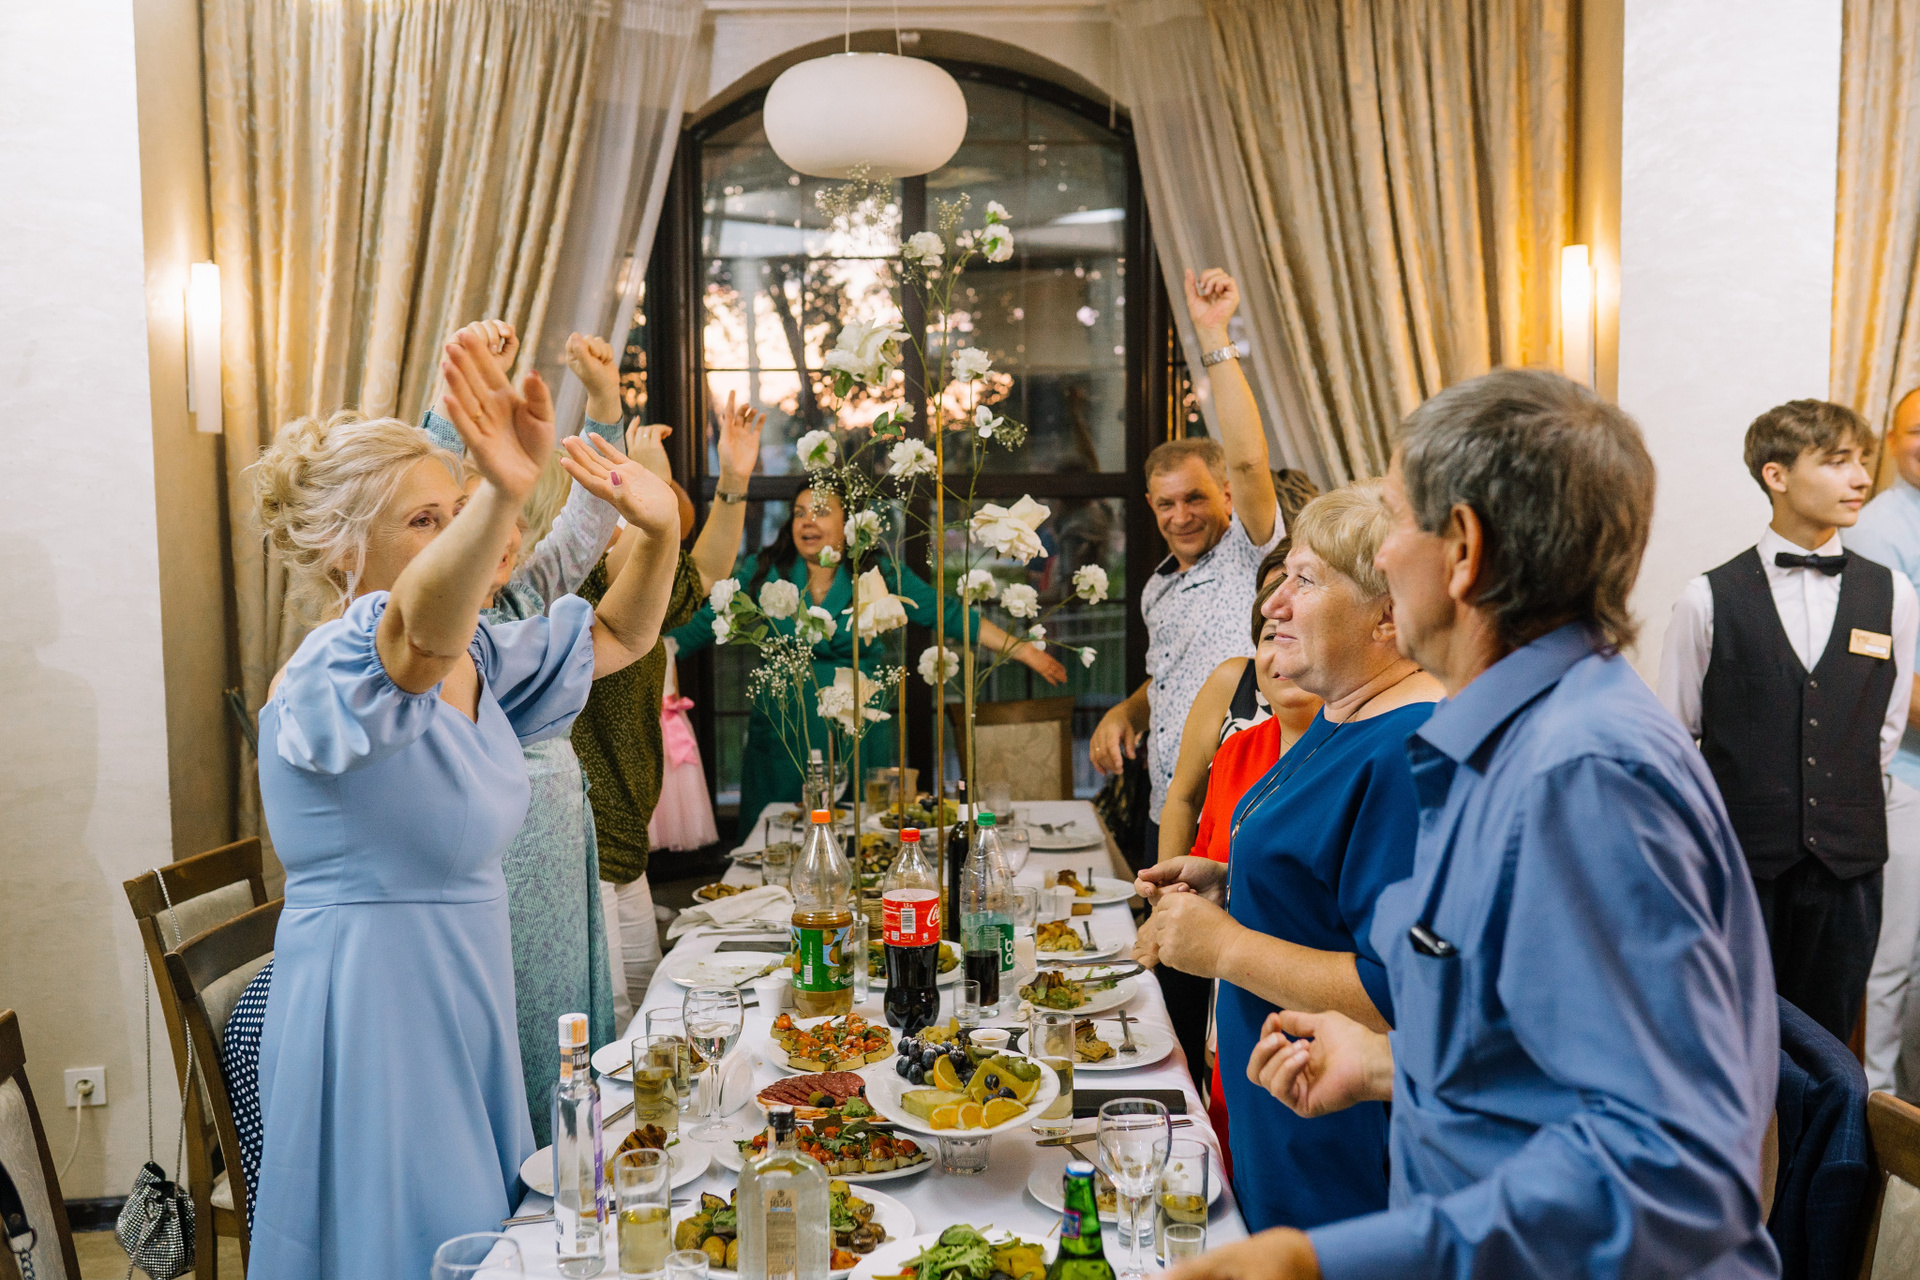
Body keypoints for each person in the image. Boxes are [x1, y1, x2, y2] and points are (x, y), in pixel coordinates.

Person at [1174, 368, 1780, 1280]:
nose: (1382, 558)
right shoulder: (1506, 738)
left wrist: (1323, 1262)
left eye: (1395, 519)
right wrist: (1392, 1065)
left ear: (1462, 549)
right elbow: (1535, 1057)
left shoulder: (1582, 774)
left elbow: (1679, 1174)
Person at [247, 328, 682, 1280]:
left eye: (458, 511)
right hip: (377, 1010)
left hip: (466, 991)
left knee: (480, 1239)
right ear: (341, 550)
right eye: (424, 521)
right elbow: (412, 641)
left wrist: (659, 535)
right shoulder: (336, 665)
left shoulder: (478, 656)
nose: (460, 533)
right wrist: (499, 494)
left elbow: (618, 636)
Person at [1132, 482, 1444, 1231]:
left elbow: (1398, 992)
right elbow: (1325, 889)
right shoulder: (1345, 712)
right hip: (1279, 1117)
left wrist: (1225, 947)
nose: (1273, 604)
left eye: (1304, 580)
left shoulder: (1407, 748)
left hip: (1340, 1139)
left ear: (1387, 615)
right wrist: (1233, 883)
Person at [418, 321, 631, 1140]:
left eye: (510, 516)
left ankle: (576, 1168)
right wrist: (464, 400)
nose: (504, 534)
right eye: (480, 514)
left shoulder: (521, 599)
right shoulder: (431, 632)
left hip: (560, 854)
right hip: (498, 869)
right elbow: (426, 476)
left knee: (571, 1030)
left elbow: (585, 522)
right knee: (524, 1047)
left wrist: (604, 405)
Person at [1658, 399, 1916, 1042]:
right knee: (1735, 1039)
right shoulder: (1706, 598)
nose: (1861, 478)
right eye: (1837, 462)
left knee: (1830, 1044)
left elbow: (1882, 729)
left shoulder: (1893, 594)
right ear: (1776, 475)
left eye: (1863, 461)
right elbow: (1677, 739)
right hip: (1742, 866)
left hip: (1848, 869)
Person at [671, 484, 1066, 830]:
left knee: (862, 840)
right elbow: (702, 625)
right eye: (799, 512)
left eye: (821, 511)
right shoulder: (763, 570)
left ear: (848, 522)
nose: (807, 521)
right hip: (786, 733)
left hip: (858, 731)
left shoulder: (876, 570)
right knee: (777, 835)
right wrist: (653, 656)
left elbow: (944, 612)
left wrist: (1022, 649)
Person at [572, 388, 763, 1022]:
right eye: (662, 528)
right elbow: (646, 539)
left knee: (646, 1007)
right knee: (610, 1023)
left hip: (625, 842)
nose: (671, 544)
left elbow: (706, 569)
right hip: (586, 841)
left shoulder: (650, 601)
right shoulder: (590, 594)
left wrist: (734, 476)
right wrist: (645, 470)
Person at [1090, 269, 1281, 862]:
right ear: (1150, 505)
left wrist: (1214, 336)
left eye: (1195, 498)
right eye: (1166, 504)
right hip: (1167, 806)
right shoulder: (1157, 587)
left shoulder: (1251, 552)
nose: (1181, 516)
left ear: (1226, 496)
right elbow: (1170, 677)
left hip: (1239, 805)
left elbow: (1249, 462)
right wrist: (1126, 710)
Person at [1843, 385, 1920, 1098]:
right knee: (1890, 964)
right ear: (1892, 442)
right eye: (1917, 430)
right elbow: (1890, 668)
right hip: (1906, 778)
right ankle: (1876, 1120)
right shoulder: (1877, 531)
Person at [1156, 541, 1318, 864]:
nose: (1284, 649)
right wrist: (1170, 889)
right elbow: (1202, 845)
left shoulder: (1360, 745)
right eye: (1271, 635)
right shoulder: (1234, 752)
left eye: (1301, 629)